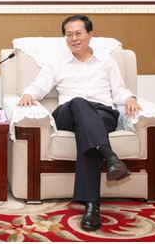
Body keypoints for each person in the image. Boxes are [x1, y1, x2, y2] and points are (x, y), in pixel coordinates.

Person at [17, 15, 141, 232]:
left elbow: (119, 90)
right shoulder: (57, 62)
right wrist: (28, 94)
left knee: (88, 133)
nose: (74, 38)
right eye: (69, 35)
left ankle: (92, 206)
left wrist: (129, 98)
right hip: (68, 113)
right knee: (78, 102)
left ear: (90, 35)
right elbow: (39, 86)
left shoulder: (106, 61)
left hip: (102, 114)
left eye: (78, 33)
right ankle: (110, 156)